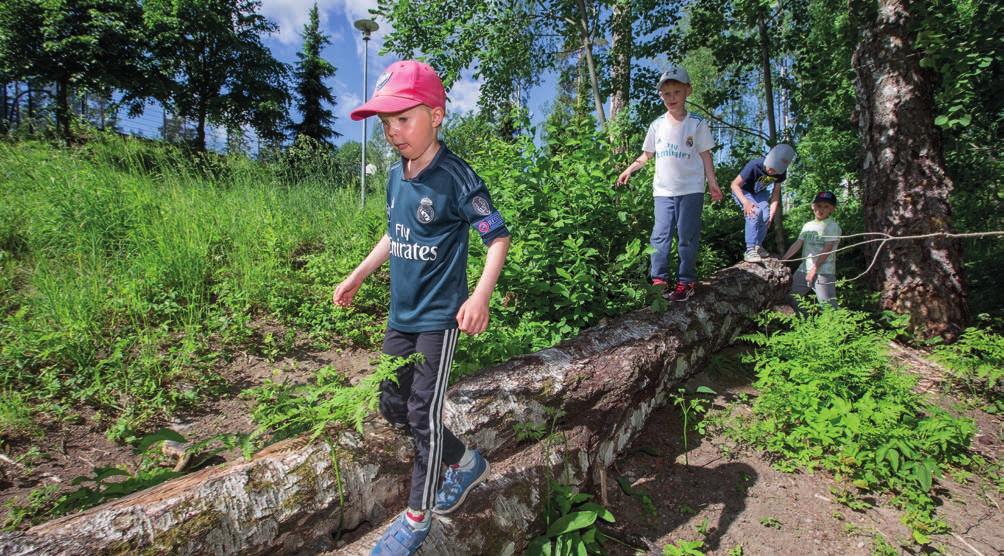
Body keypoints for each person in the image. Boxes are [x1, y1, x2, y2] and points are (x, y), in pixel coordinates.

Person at [332, 60, 511, 556]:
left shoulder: (457, 177)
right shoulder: (395, 177)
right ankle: (467, 462)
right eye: (387, 124)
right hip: (400, 315)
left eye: (404, 120)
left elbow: (497, 237)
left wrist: (480, 295)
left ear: (436, 116)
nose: (393, 132)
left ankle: (417, 518)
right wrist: (357, 275)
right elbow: (396, 233)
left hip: (438, 317)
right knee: (392, 404)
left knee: (422, 412)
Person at [616, 64, 723, 301]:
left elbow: (706, 155)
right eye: (667, 94)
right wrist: (629, 169)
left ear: (688, 91)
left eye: (677, 92)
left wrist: (713, 184)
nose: (671, 98)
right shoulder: (657, 125)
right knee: (660, 235)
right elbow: (646, 155)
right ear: (661, 96)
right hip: (663, 191)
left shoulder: (697, 124)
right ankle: (659, 280)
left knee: (687, 236)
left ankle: (686, 281)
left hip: (691, 189)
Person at [729, 144, 796, 263]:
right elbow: (734, 185)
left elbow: (776, 193)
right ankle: (749, 250)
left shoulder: (781, 173)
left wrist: (772, 211)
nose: (771, 172)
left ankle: (757, 246)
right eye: (770, 168)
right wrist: (745, 202)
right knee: (754, 212)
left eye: (775, 171)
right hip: (742, 191)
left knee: (766, 216)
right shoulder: (754, 165)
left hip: (759, 193)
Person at [782, 191, 841, 312]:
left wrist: (813, 270)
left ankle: (838, 329)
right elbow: (798, 243)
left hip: (823, 272)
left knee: (828, 306)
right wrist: (783, 259)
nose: (821, 209)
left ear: (832, 209)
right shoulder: (808, 225)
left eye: (826, 207)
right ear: (813, 206)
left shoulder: (832, 226)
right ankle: (805, 325)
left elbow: (827, 249)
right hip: (803, 270)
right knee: (792, 297)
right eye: (819, 206)